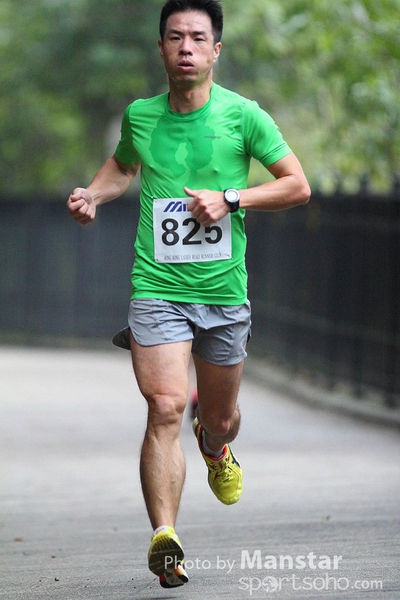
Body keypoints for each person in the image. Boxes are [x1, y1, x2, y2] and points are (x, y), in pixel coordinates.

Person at [67, 0, 310, 589]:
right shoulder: (141, 116)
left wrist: (231, 199)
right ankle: (165, 538)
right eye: (175, 37)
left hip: (223, 292)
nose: (186, 47)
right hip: (157, 287)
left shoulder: (244, 116)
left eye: (198, 38)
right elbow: (123, 167)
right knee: (165, 406)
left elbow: (297, 186)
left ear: (215, 50)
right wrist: (94, 194)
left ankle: (215, 446)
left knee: (219, 418)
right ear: (161, 48)